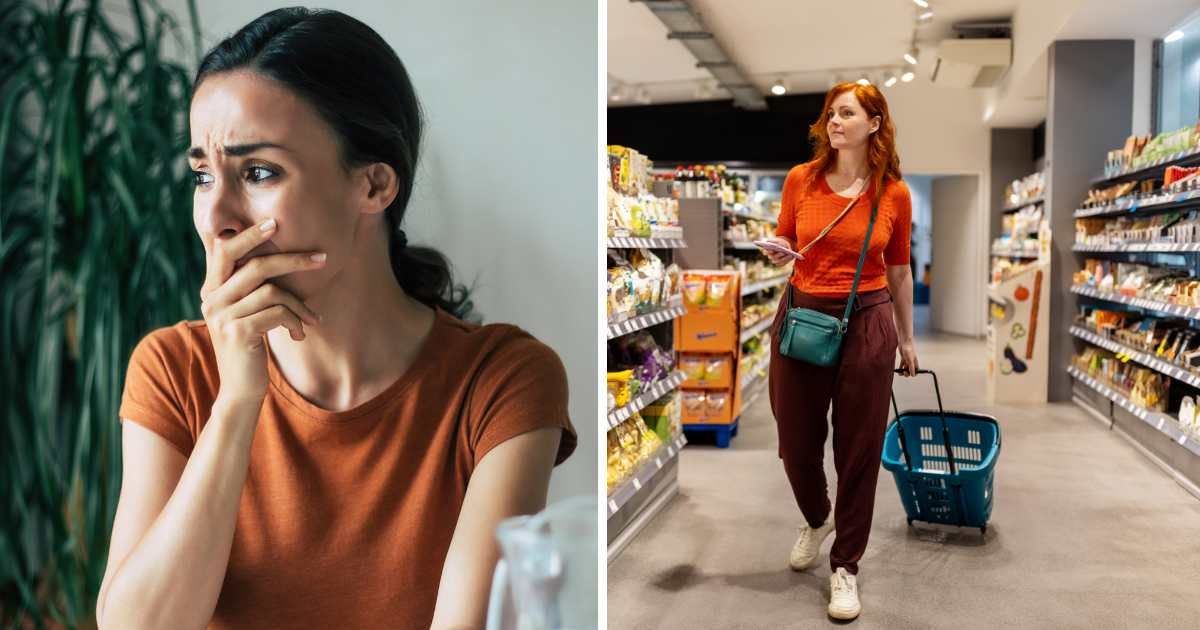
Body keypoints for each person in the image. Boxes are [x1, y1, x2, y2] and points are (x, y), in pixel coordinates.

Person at [95, 8, 576, 629]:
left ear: (374, 186)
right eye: (203, 175)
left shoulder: (501, 381)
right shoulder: (174, 368)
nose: (216, 217)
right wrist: (238, 401)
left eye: (259, 172)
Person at [758, 81, 918, 621]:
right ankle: (816, 515)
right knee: (794, 441)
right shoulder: (801, 180)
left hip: (868, 322)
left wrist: (908, 337)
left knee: (859, 449)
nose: (834, 121)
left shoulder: (892, 192)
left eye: (846, 113)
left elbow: (898, 270)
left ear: (874, 123)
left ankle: (845, 566)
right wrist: (780, 249)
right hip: (802, 314)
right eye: (831, 113)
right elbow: (786, 239)